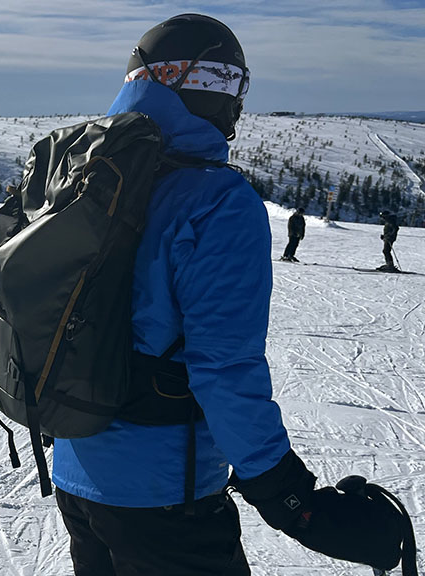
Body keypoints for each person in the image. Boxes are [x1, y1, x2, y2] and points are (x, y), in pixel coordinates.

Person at [51, 14, 406, 576]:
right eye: (223, 82)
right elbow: (223, 368)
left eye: (240, 85)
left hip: (76, 471)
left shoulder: (89, 174)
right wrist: (290, 497)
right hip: (163, 494)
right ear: (180, 83)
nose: (236, 103)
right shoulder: (217, 201)